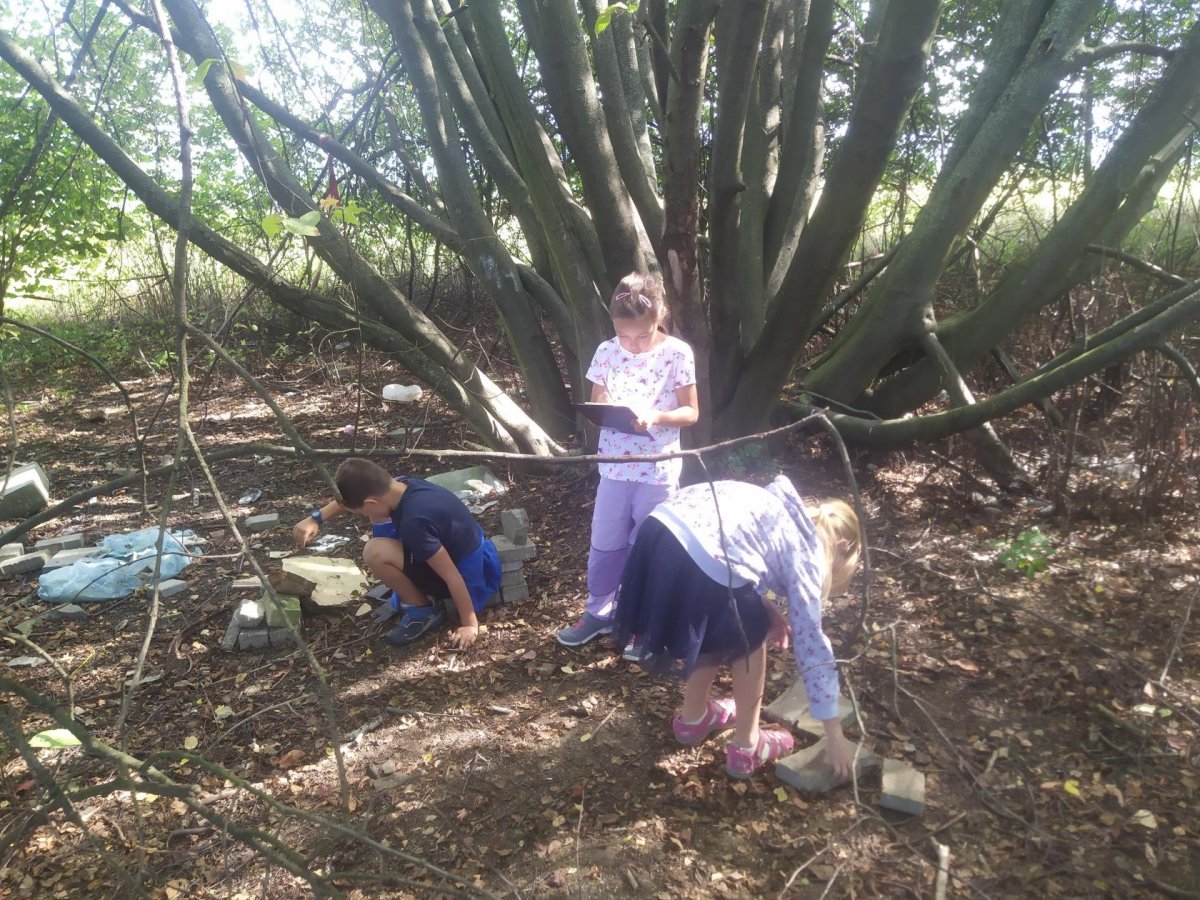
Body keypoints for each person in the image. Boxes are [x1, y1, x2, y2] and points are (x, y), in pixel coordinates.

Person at [611, 475, 861, 779]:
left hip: (660, 531)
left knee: (718, 620)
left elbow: (737, 556)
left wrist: (765, 607)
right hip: (699, 549)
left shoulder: (781, 513)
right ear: (842, 545)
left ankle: (692, 720)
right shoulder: (807, 554)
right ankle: (747, 745)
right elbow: (813, 649)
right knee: (750, 636)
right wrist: (834, 735)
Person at [556, 272, 698, 647]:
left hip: (658, 468)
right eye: (623, 335)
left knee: (647, 544)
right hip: (615, 465)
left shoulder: (677, 353)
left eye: (642, 336)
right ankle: (600, 612)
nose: (632, 345)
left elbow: (691, 412)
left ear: (661, 316)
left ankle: (641, 621)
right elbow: (597, 400)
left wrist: (656, 416)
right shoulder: (606, 351)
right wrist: (609, 409)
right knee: (606, 541)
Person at [292, 458, 500, 649]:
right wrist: (316, 518)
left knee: (374, 552)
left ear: (371, 503)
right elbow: (352, 498)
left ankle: (424, 611)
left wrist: (469, 624)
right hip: (472, 552)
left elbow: (452, 575)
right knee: (380, 520)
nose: (363, 516)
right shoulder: (403, 484)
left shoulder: (414, 523)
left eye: (362, 512)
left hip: (470, 577)